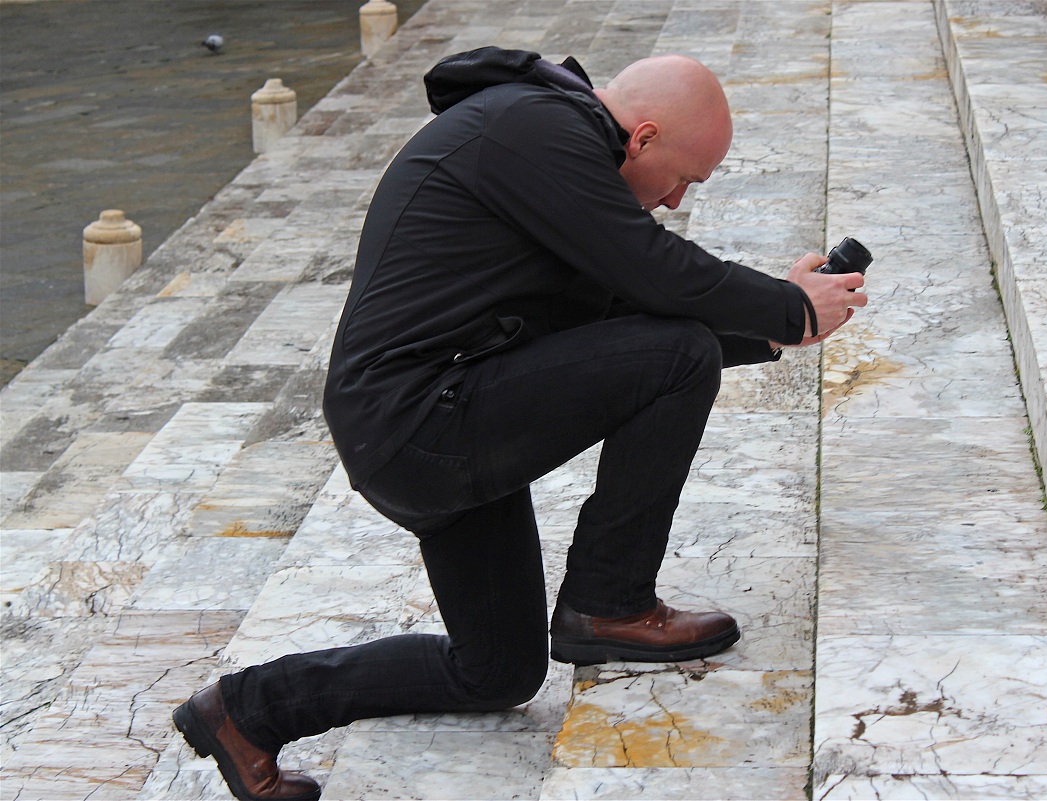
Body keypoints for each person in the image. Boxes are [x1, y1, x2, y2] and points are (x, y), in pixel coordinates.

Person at [172, 47, 866, 801]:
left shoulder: (549, 147)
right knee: (679, 351)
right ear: (642, 139)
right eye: (683, 180)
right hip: (421, 421)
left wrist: (777, 331)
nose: (673, 202)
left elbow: (625, 314)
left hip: (431, 417)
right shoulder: (533, 129)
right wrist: (787, 305)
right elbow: (654, 272)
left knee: (495, 671)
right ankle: (611, 600)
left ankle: (245, 710)